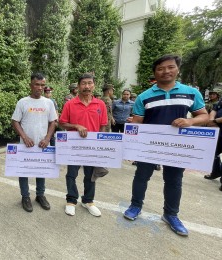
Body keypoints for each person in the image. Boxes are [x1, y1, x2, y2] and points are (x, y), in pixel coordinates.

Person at [123, 54, 208, 236]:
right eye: (160, 68)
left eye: (170, 67)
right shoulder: (145, 96)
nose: (166, 71)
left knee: (174, 181)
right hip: (149, 146)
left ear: (177, 69)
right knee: (141, 177)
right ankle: (135, 205)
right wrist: (130, 134)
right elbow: (138, 122)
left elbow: (204, 116)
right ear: (155, 72)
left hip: (176, 148)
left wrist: (190, 122)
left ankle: (171, 214)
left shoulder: (191, 92)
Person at [59, 73, 108, 217]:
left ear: (94, 85)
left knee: (91, 175)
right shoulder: (70, 104)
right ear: (79, 86)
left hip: (92, 147)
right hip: (74, 147)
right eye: (83, 83)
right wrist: (76, 125)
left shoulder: (100, 104)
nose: (87, 86)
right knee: (71, 174)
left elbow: (103, 125)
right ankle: (71, 201)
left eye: (89, 83)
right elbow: (61, 123)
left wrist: (100, 143)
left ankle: (88, 201)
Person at [11, 73, 58, 212]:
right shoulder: (23, 102)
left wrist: (47, 138)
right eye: (37, 84)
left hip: (42, 144)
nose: (40, 87)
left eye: (42, 85)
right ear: (30, 85)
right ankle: (25, 196)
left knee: (41, 171)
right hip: (26, 145)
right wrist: (24, 137)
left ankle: (40, 195)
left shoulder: (48, 103)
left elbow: (53, 123)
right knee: (24, 171)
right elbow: (15, 121)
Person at [204, 100, 222, 190]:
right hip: (217, 129)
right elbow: (215, 109)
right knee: (213, 152)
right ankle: (216, 172)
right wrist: (211, 121)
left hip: (218, 124)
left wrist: (215, 120)